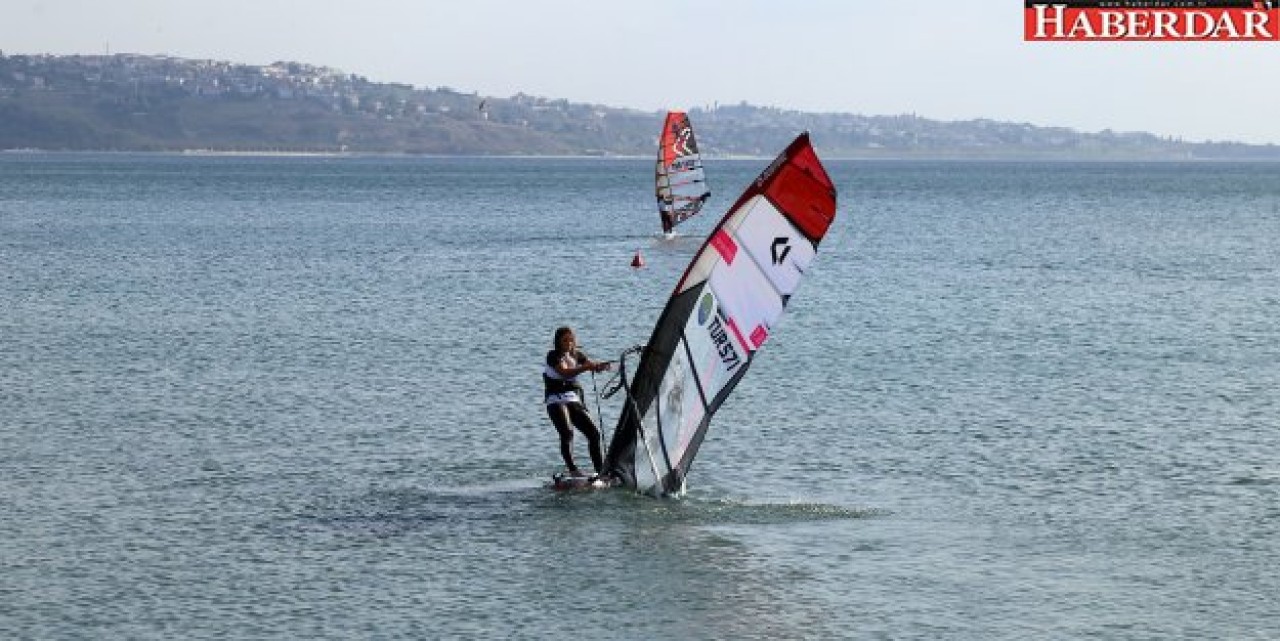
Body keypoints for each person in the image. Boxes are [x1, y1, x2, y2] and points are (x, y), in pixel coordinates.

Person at [543, 326, 610, 477]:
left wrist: (599, 366)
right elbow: (565, 373)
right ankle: (573, 470)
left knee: (594, 433)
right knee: (567, 432)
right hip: (555, 400)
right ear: (558, 342)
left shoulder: (577, 354)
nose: (568, 343)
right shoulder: (552, 356)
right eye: (565, 340)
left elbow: (590, 365)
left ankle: (600, 471)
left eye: (571, 340)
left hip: (572, 398)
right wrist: (585, 368)